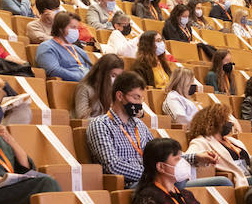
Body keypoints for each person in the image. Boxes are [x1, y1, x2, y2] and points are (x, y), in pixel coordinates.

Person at [85, 72, 227, 189]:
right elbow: (113, 166)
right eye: (136, 97)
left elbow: (162, 155)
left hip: (161, 180)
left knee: (223, 183)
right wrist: (156, 174)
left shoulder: (140, 126)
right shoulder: (101, 125)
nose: (140, 103)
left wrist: (195, 158)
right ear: (120, 96)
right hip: (135, 185)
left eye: (142, 98)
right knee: (180, 184)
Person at [186, 104, 251, 187]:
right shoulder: (202, 142)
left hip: (248, 174)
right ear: (215, 122)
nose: (230, 123)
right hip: (238, 178)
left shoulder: (233, 141)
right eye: (226, 120)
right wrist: (200, 157)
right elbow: (186, 158)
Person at [70, 53, 125, 121]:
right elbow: (82, 118)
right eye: (113, 75)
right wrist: (108, 121)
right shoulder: (85, 88)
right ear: (103, 73)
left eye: (118, 77)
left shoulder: (115, 91)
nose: (116, 80)